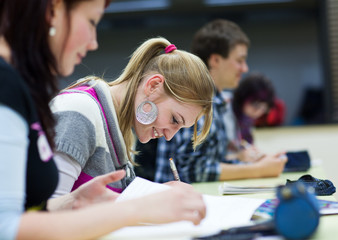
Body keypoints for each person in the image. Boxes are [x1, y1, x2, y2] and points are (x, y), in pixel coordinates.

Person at [0, 1, 207, 239]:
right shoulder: (75, 109)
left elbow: (37, 209)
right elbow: (9, 228)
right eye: (91, 21)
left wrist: (75, 202)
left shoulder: (22, 86)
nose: (93, 42)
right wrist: (137, 209)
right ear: (54, 10)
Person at [51, 37, 215, 196]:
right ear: (153, 86)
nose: (169, 135)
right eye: (174, 120)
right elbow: (49, 210)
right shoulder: (80, 111)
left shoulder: (122, 131)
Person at [136, 19, 287, 183]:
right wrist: (258, 170)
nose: (245, 68)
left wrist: (245, 159)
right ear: (215, 60)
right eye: (239, 60)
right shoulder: (195, 102)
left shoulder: (219, 102)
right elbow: (192, 171)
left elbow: (207, 162)